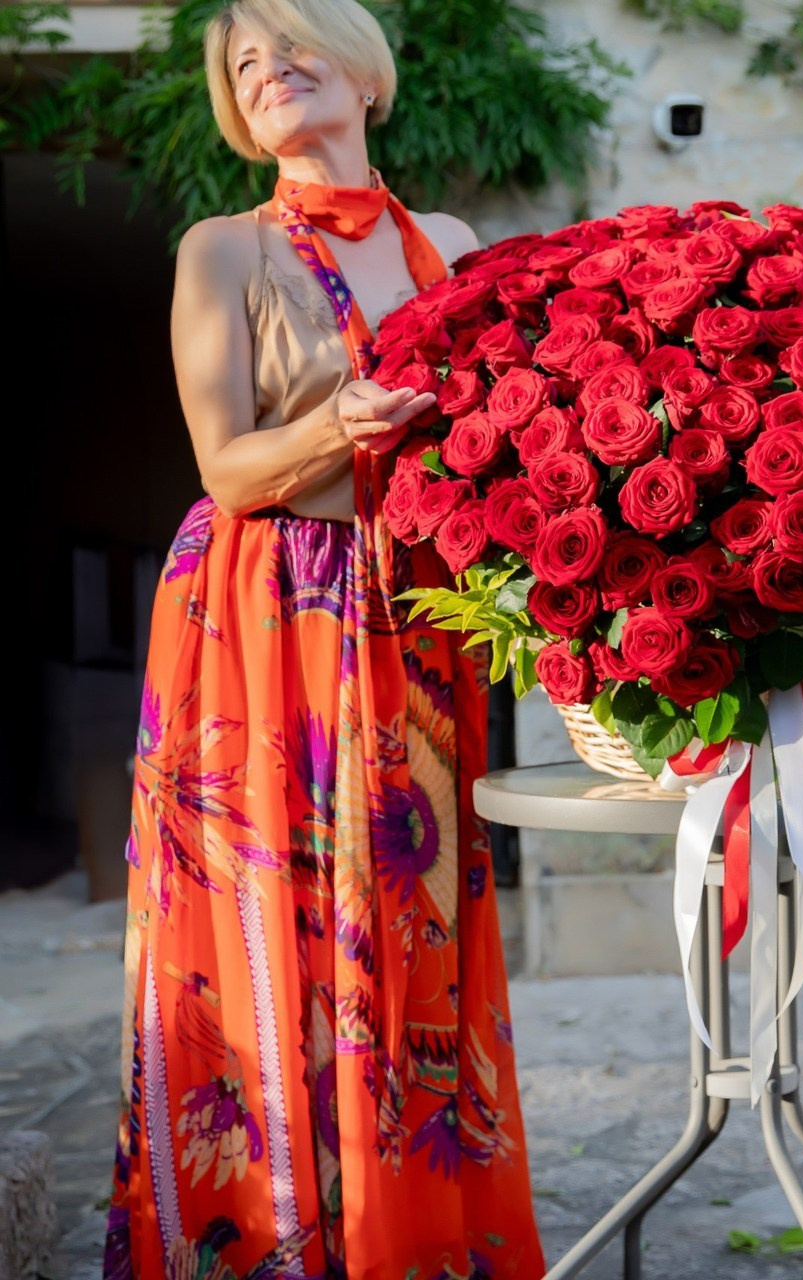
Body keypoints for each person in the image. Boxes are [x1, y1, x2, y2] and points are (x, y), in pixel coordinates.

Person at [102, 1, 546, 1276]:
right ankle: (275, 1242)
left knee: (408, 920)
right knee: (270, 914)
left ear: (362, 69)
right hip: (263, 613)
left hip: (411, 614)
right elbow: (227, 467)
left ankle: (406, 1234)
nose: (269, 70)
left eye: (292, 43)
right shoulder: (223, 250)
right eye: (245, 64)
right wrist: (336, 424)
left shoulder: (449, 246)